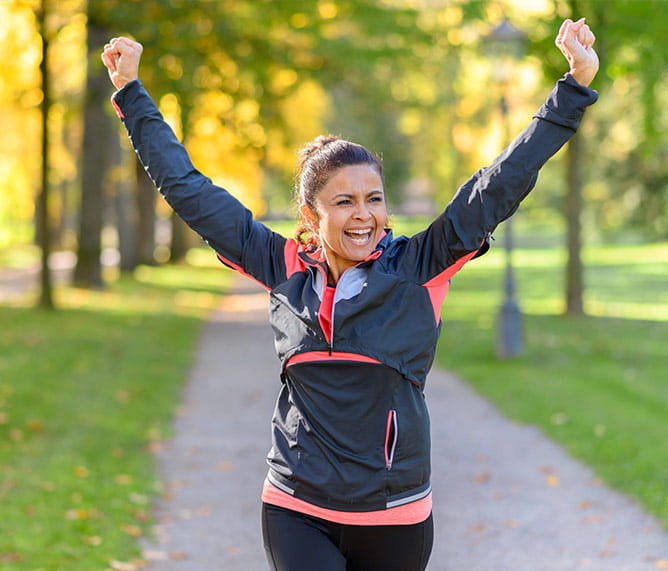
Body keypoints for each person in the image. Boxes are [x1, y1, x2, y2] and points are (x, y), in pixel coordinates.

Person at [102, 17, 598, 571]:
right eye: (344, 202)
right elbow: (189, 189)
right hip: (295, 504)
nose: (364, 215)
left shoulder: (419, 267)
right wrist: (131, 92)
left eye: (374, 199)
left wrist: (571, 90)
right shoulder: (283, 265)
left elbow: (499, 183)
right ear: (312, 217)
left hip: (395, 514)